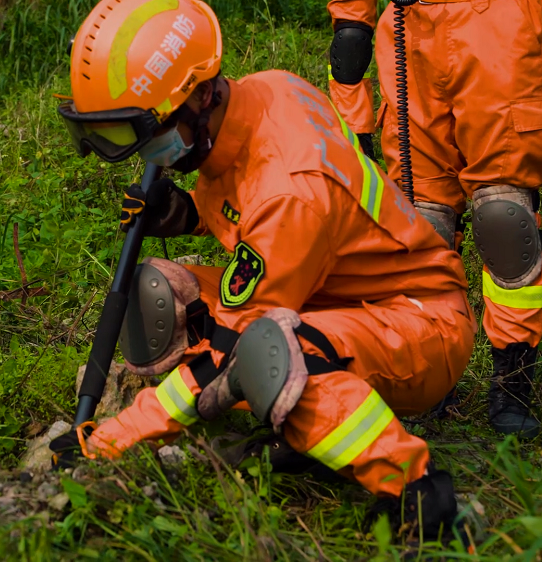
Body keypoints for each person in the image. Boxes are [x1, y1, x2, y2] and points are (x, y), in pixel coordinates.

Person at [53, 0, 476, 540]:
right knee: (164, 292)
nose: (139, 150)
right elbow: (251, 202)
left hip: (420, 322)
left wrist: (109, 442)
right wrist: (185, 215)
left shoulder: (291, 189)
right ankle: (304, 434)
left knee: (267, 354)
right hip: (329, 289)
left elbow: (236, 342)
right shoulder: (266, 91)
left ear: (202, 93)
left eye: (142, 132)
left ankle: (419, 493)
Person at [326, 0, 542, 436]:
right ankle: (429, 368)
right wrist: (353, 118)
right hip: (409, 35)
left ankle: (513, 382)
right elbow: (350, 29)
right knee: (421, 225)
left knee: (505, 218)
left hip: (499, 30)